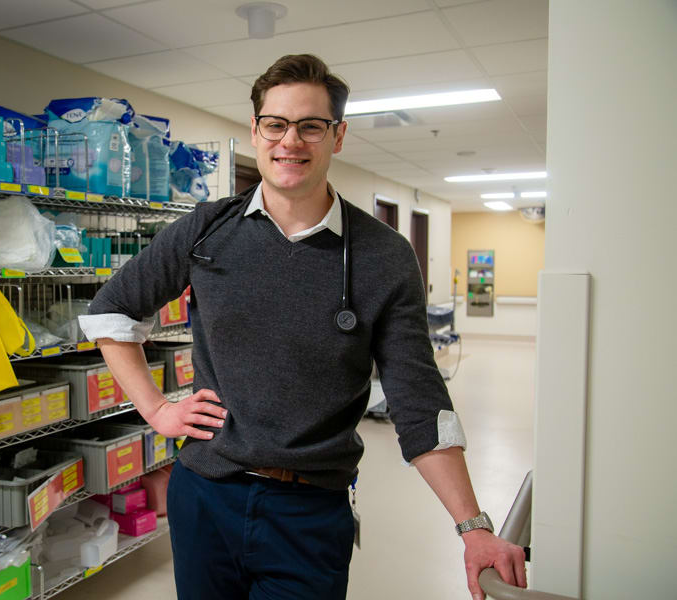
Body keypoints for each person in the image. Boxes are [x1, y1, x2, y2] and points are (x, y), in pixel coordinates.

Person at [78, 54, 526, 600]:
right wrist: (155, 409)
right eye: (276, 124)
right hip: (205, 496)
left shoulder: (383, 255)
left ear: (337, 136)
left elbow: (419, 400)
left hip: (311, 512)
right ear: (256, 130)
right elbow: (110, 312)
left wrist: (472, 525)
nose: (291, 141)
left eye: (311, 126)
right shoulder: (206, 230)